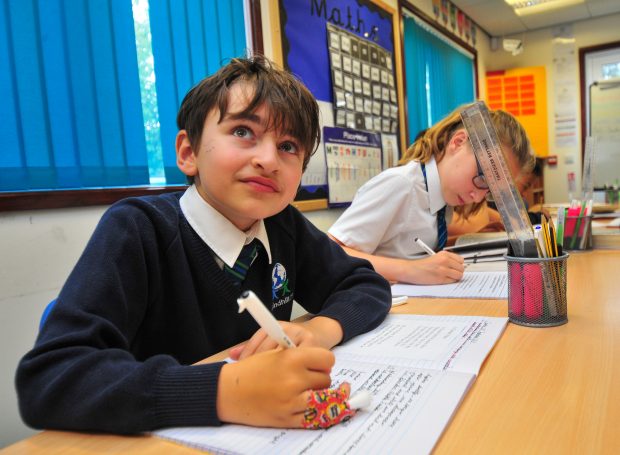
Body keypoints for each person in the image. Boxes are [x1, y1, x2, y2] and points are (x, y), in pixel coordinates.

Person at [15, 55, 391, 434]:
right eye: (244, 131)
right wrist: (227, 391)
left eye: (289, 146)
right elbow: (50, 379)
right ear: (189, 152)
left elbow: (365, 284)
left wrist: (319, 331)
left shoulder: (282, 225)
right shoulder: (138, 229)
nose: (268, 160)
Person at [328, 104, 534, 285]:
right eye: (482, 178)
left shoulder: (443, 200)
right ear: (458, 142)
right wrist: (412, 270)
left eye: (489, 191)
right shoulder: (402, 184)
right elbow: (329, 253)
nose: (478, 197)